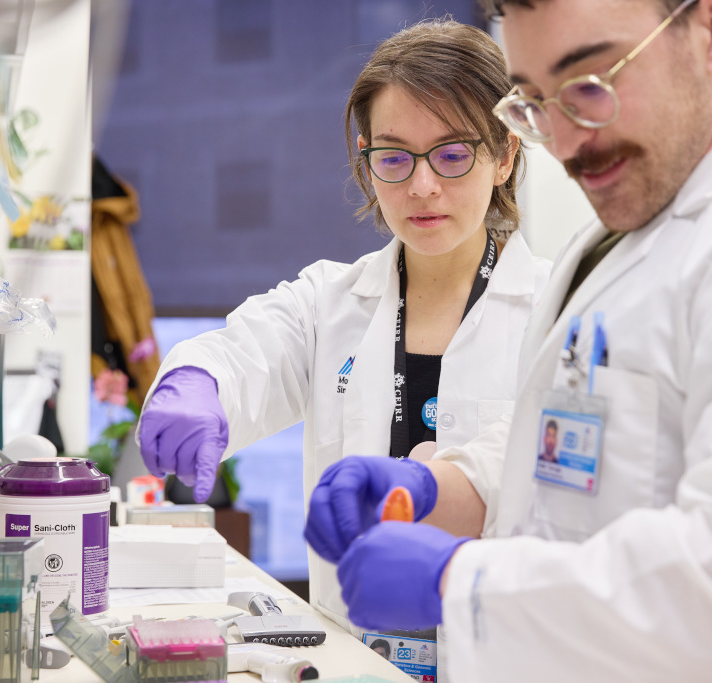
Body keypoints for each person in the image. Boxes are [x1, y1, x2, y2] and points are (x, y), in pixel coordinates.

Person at [305, 1, 712, 681]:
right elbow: (585, 441)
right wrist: (443, 488)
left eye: (589, 83)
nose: (568, 142)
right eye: (536, 101)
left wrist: (458, 582)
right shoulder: (629, 225)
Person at [136, 18, 550, 631]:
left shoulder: (556, 312)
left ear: (505, 153)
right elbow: (244, 352)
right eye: (394, 157)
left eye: (454, 154)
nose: (422, 186)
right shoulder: (329, 301)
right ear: (366, 158)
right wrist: (194, 382)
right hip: (354, 655)